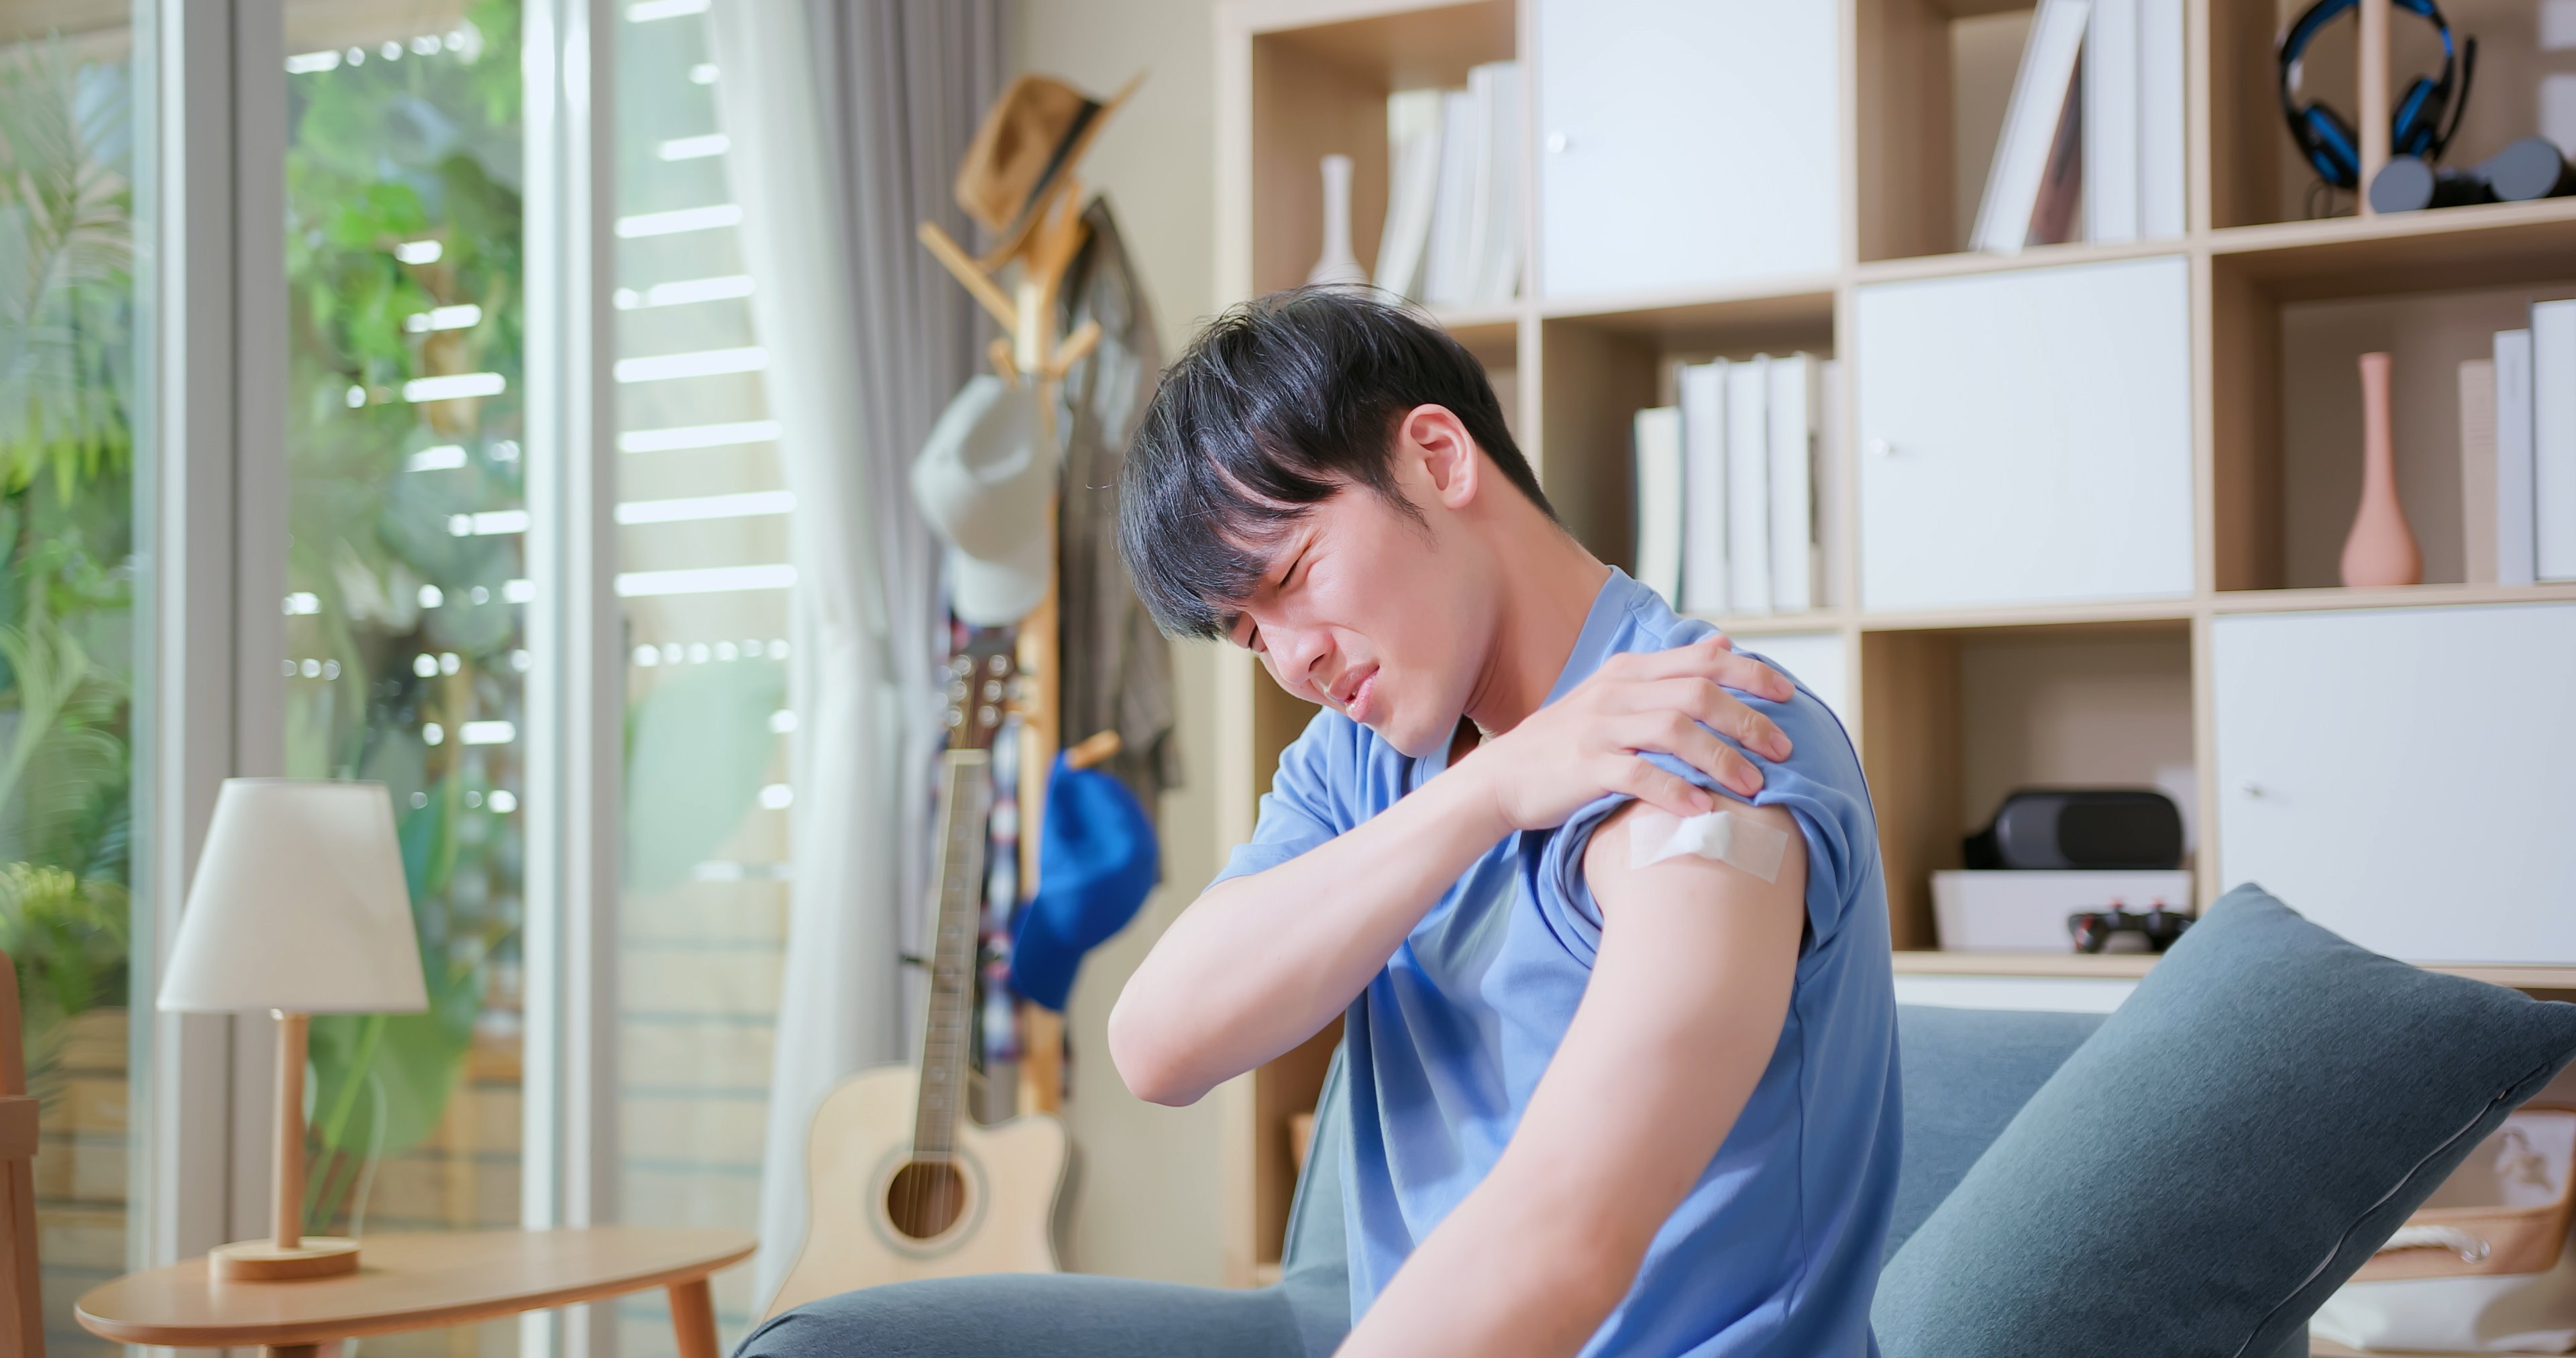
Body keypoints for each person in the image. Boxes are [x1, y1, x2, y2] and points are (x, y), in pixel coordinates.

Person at [1109, 288, 1899, 1357]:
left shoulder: (1716, 741)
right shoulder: (1368, 757)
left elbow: (1567, 1239)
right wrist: (1490, 788)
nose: (1293, 658)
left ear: (1437, 458)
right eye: (1250, 633)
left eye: (1293, 573)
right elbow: (1158, 1043)